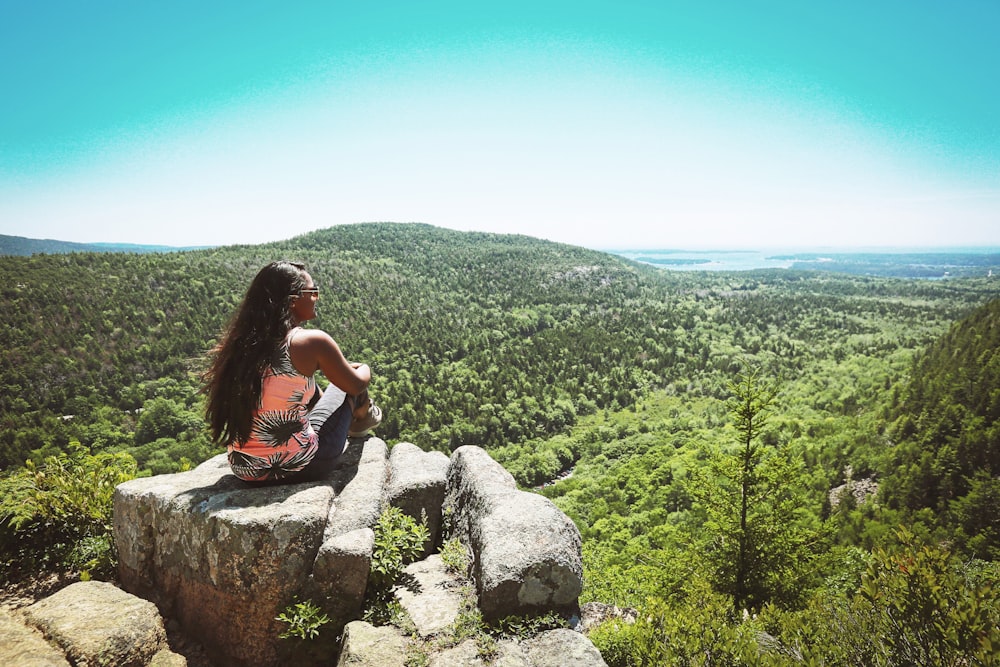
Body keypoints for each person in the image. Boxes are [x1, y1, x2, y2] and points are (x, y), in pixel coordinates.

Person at [203, 260, 382, 483]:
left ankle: (360, 418)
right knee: (349, 379)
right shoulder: (310, 342)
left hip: (245, 469)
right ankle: (362, 419)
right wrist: (365, 368)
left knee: (325, 388)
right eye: (313, 292)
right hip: (303, 465)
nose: (316, 297)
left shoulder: (242, 347)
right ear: (293, 300)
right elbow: (356, 384)